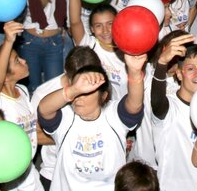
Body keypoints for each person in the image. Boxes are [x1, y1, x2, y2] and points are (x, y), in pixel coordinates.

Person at [37, 54, 146, 191]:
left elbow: (134, 105)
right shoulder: (66, 116)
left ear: (103, 96)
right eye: (77, 91)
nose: (78, 97)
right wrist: (73, 90)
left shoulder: (113, 115)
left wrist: (135, 73)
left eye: (87, 92)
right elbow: (44, 109)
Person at [0, 20, 41, 191]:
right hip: (6, 175)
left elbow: (33, 133)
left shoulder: (23, 91)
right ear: (5, 74)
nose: (24, 61)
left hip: (28, 172)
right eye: (17, 60)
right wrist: (8, 41)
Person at [151, 34, 197, 189]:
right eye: (191, 69)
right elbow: (157, 101)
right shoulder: (169, 107)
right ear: (179, 74)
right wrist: (162, 63)